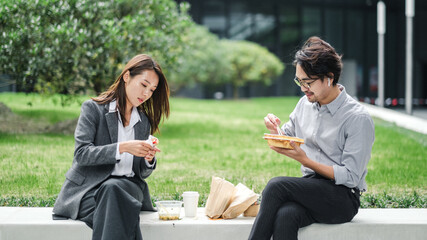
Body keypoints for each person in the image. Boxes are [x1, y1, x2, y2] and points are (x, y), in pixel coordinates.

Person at [248, 37, 375, 240]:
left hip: (342, 197)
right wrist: (275, 130)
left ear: (329, 78)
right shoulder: (304, 105)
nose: (303, 88)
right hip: (312, 188)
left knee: (275, 186)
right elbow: (288, 137)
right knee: (286, 215)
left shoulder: (357, 118)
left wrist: (304, 160)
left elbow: (351, 177)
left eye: (308, 82)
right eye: (300, 81)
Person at [52, 54, 170, 240]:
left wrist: (148, 160)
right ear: (126, 76)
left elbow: (141, 173)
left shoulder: (143, 122)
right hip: (88, 192)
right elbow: (82, 154)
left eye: (152, 90)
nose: (147, 93)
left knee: (113, 190)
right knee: (117, 208)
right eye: (144, 85)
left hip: (128, 188)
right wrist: (122, 147)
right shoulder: (93, 109)